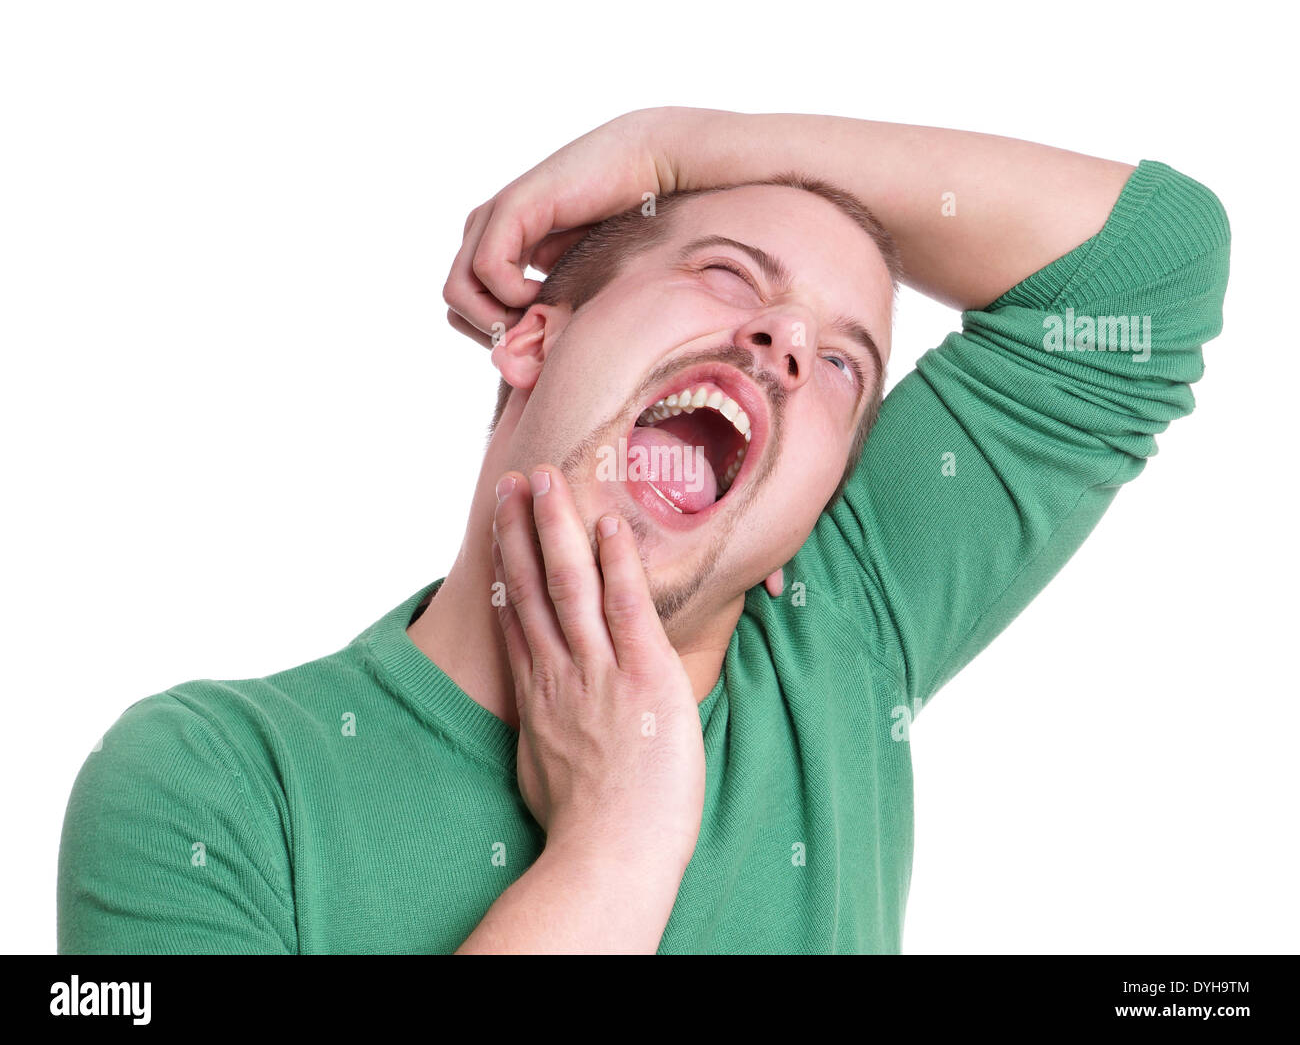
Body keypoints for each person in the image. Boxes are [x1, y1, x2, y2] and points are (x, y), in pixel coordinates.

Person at [57, 107, 1231, 954]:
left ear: (811, 514)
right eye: (727, 275)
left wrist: (676, 145)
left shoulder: (841, 636)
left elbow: (1147, 273)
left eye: (839, 364)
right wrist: (614, 848)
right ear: (534, 337)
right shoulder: (208, 784)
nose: (778, 342)